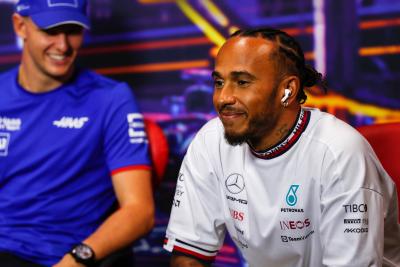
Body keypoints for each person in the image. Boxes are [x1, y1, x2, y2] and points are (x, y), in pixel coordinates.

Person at [163, 28, 400, 266]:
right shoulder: (210, 141)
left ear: (287, 91)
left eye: (242, 82)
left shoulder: (340, 152)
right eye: (219, 82)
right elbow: (189, 257)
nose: (223, 97)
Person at [0, 0, 155, 266]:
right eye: (50, 30)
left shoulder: (110, 99)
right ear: (20, 26)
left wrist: (78, 259)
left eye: (73, 30)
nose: (63, 45)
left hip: (64, 255)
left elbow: (139, 211)